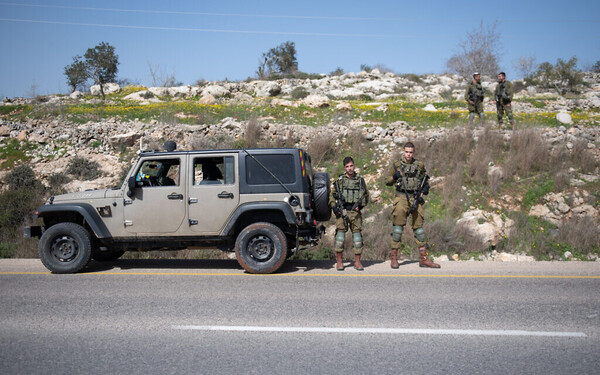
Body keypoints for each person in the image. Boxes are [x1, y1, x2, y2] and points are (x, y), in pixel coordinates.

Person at [385, 142, 440, 269]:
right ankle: (394, 258)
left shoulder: (419, 165)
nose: (408, 154)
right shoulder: (397, 165)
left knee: (419, 230)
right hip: (401, 198)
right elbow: (387, 181)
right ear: (403, 151)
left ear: (413, 152)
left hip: (415, 198)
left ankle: (424, 258)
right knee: (398, 229)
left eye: (411, 152)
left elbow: (425, 181)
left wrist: (424, 190)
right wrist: (394, 177)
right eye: (406, 152)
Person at [329, 156, 369, 271]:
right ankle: (340, 262)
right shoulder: (340, 181)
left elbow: (366, 195)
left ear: (354, 165)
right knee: (340, 238)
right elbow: (332, 195)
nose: (350, 168)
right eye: (347, 166)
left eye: (351, 166)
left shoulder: (360, 180)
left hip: (355, 213)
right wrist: (334, 208)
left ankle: (357, 262)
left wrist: (360, 206)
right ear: (344, 167)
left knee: (357, 238)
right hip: (343, 212)